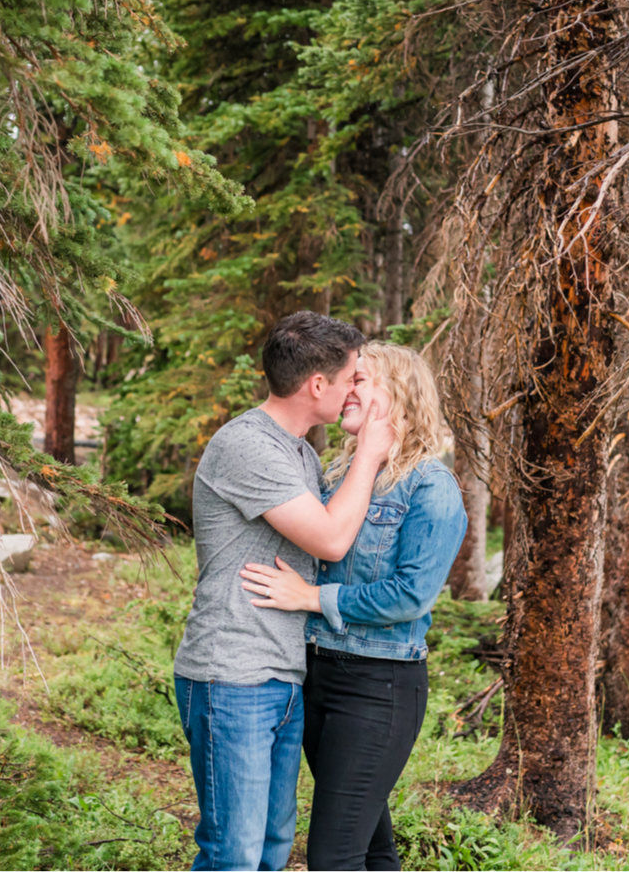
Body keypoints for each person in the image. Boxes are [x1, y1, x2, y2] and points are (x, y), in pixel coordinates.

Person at [173, 311, 395, 872]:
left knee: (270, 851)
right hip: (233, 675)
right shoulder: (248, 446)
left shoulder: (299, 452)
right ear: (317, 385)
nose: (354, 392)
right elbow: (330, 540)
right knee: (234, 855)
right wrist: (370, 450)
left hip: (281, 675)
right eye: (351, 379)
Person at [240, 342, 468, 871]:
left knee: (332, 857)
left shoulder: (432, 487)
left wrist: (313, 598)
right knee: (369, 848)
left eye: (360, 380)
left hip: (379, 687)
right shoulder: (337, 477)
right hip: (317, 676)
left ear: (401, 396)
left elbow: (412, 595)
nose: (347, 390)